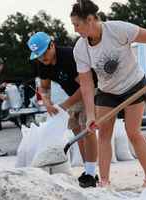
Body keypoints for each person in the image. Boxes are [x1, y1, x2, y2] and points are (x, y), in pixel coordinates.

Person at [70, 0, 146, 187]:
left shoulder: (118, 30)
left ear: (90, 19)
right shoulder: (80, 48)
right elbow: (86, 84)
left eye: (77, 24)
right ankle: (105, 182)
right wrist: (91, 115)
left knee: (133, 132)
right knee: (104, 134)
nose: (76, 30)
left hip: (134, 85)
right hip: (107, 91)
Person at [27, 32, 98, 188]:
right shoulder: (42, 64)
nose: (41, 58)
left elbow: (86, 86)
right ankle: (88, 170)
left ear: (52, 45)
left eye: (44, 53)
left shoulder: (68, 56)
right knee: (76, 130)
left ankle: (92, 173)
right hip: (74, 95)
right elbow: (44, 87)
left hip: (92, 91)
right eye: (38, 55)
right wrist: (47, 102)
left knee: (87, 129)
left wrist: (65, 105)